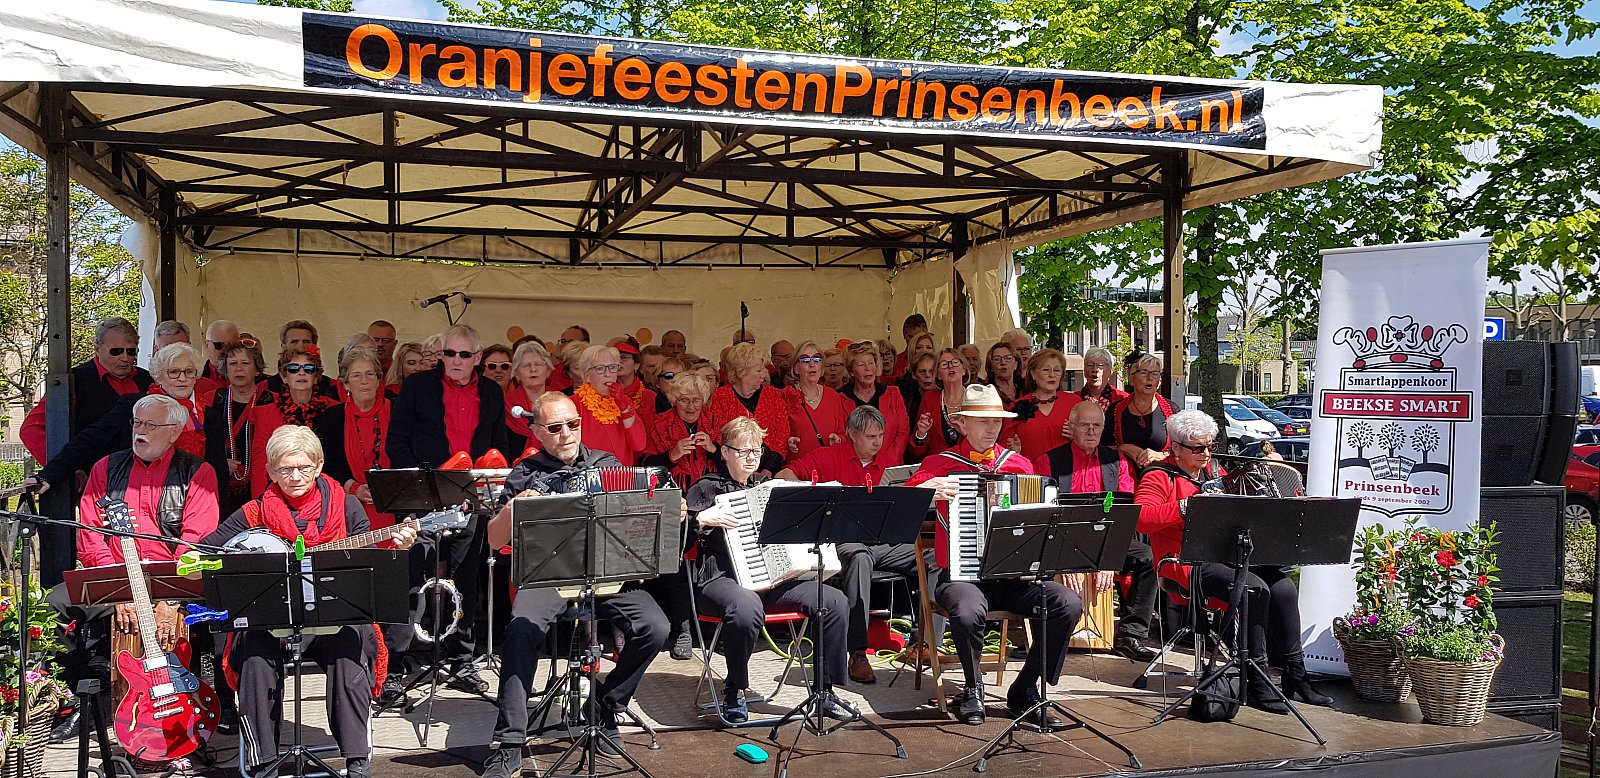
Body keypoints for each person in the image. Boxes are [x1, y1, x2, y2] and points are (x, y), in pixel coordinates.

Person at [201, 426, 417, 778]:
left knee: (349, 649)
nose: (295, 476)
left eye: (303, 467)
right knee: (254, 657)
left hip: (332, 618)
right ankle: (263, 761)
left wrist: (398, 545)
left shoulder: (346, 506)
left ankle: (356, 760)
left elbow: (370, 562)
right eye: (285, 469)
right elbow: (205, 548)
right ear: (271, 471)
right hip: (270, 621)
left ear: (318, 466)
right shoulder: (254, 513)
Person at [478, 392, 672, 777]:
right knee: (520, 632)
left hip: (607, 572)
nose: (566, 434)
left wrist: (670, 510)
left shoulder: (608, 465)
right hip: (548, 576)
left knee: (656, 627)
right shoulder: (525, 473)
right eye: (554, 427)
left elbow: (639, 524)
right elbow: (493, 539)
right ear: (536, 432)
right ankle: (510, 740)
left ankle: (606, 705)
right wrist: (513, 509)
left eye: (573, 424)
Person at [44, 394, 223, 762]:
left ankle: (203, 709)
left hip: (173, 583)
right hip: (116, 577)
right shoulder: (105, 469)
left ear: (174, 431)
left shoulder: (197, 473)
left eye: (150, 426)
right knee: (50, 610)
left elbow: (196, 543)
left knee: (222, 613)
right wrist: (120, 591)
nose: (139, 432)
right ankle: (88, 699)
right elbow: (90, 534)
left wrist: (169, 601)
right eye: (136, 424)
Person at [906, 384, 1082, 728]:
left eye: (996, 422)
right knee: (968, 610)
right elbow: (904, 497)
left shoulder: (1018, 465)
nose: (991, 429)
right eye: (983, 421)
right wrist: (928, 489)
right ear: (961, 424)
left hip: (1015, 577)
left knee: (1068, 604)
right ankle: (973, 690)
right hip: (961, 575)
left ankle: (1025, 687)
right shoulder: (939, 463)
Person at [1134, 410, 1330, 711]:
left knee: (1282, 587)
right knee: (1253, 589)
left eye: (1210, 446)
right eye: (1198, 448)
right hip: (1185, 561)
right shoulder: (1158, 476)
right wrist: (1184, 507)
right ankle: (1256, 676)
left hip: (1226, 555)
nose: (1206, 453)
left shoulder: (1216, 472)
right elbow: (1142, 520)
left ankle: (1295, 674)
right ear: (1175, 447)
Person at [686, 417, 855, 724]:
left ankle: (825, 691)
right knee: (746, 606)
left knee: (833, 601)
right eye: (743, 451)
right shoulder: (705, 487)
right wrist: (701, 519)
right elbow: (677, 540)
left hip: (773, 580)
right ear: (724, 452)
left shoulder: (768, 487)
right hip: (721, 580)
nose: (752, 457)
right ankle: (735, 689)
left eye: (757, 450)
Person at [388, 323, 508, 693]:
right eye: (449, 354)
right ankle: (394, 665)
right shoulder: (417, 386)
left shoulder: (490, 391)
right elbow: (397, 443)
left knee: (465, 576)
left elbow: (498, 443)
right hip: (423, 493)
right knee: (412, 577)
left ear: (477, 357)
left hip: (469, 495)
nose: (455, 361)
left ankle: (461, 659)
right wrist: (427, 483)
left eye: (464, 355)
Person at [776, 405, 916, 684]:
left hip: (883, 541)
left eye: (881, 435)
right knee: (860, 558)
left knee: (933, 557)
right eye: (870, 436)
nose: (877, 442)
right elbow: (783, 477)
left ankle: (925, 643)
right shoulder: (827, 456)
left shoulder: (889, 461)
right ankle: (858, 652)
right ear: (852, 434)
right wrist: (812, 491)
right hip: (844, 541)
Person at [1032, 402, 1158, 663]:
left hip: (1105, 540)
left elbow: (1122, 514)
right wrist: (1065, 561)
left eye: (1096, 426)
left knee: (1148, 557)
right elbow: (1044, 517)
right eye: (1084, 425)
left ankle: (1130, 634)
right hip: (1062, 541)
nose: (1091, 431)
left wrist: (1108, 558)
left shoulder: (1118, 461)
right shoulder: (1049, 461)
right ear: (1072, 427)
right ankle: (1047, 636)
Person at [29, 343, 210, 495]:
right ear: (158, 376)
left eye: (189, 372)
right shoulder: (133, 406)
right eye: (173, 372)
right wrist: (49, 475)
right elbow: (90, 439)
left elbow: (216, 467)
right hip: (141, 495)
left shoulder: (209, 413)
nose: (182, 379)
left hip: (194, 497)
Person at [21, 317, 153, 465]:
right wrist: (66, 469)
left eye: (131, 352)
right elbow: (32, 429)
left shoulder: (147, 380)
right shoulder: (75, 381)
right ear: (97, 349)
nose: (125, 358)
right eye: (116, 351)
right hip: (92, 477)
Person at [314, 346, 392, 530]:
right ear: (346, 384)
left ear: (379, 380)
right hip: (348, 504)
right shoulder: (332, 418)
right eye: (356, 375)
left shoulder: (397, 412)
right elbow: (325, 463)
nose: (364, 381)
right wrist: (353, 487)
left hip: (393, 502)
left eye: (370, 374)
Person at [205, 341, 283, 517]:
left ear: (257, 370)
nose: (238, 369)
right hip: (219, 488)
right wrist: (219, 464)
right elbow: (201, 444)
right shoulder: (210, 400)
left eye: (245, 363)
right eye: (233, 364)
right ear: (225, 370)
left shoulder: (274, 402)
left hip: (261, 486)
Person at [709, 343, 791, 467]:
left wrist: (769, 468)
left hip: (770, 468)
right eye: (759, 370)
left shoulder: (773, 395)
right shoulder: (721, 396)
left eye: (764, 369)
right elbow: (718, 435)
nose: (764, 374)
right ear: (742, 372)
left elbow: (782, 434)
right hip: (732, 467)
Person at [567, 343, 648, 466]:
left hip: (622, 478)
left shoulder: (623, 403)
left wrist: (625, 408)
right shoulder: (573, 404)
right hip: (589, 477)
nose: (608, 374)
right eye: (600, 369)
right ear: (586, 376)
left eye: (613, 367)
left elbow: (639, 445)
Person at [643, 371, 719, 489]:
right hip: (672, 491)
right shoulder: (660, 424)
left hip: (710, 490)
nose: (691, 407)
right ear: (674, 400)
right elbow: (645, 465)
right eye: (684, 400)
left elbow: (730, 463)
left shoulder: (714, 422)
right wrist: (672, 455)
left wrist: (712, 448)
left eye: (696, 400)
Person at [1003, 349, 1079, 462]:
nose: (1052, 375)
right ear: (1033, 374)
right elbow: (1004, 444)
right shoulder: (1016, 406)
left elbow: (1090, 437)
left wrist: (1077, 437)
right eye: (1046, 370)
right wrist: (1013, 450)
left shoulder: (1074, 402)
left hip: (1067, 473)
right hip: (1031, 474)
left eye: (1057, 370)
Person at [839, 342, 909, 466]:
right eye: (861, 364)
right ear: (851, 371)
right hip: (853, 465)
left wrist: (889, 459)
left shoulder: (893, 393)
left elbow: (902, 432)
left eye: (871, 363)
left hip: (889, 465)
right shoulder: (840, 397)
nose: (868, 368)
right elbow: (842, 434)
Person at [781, 340, 848, 460]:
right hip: (797, 470)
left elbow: (844, 434)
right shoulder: (784, 396)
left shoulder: (833, 396)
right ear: (796, 368)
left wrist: (838, 439)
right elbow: (776, 436)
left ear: (822, 367)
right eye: (805, 359)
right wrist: (787, 442)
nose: (812, 364)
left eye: (817, 359)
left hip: (828, 468)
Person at [1113, 353, 1174, 470]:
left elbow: (1183, 450)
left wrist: (1161, 455)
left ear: (1159, 381)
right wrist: (1123, 448)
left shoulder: (1171, 410)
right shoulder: (1115, 410)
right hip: (1123, 477)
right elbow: (1102, 448)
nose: (1150, 378)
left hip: (1161, 477)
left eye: (1155, 374)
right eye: (1143, 373)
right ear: (1131, 379)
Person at [909, 348, 969, 461]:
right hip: (937, 468)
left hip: (969, 466)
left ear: (964, 370)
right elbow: (916, 451)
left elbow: (985, 443)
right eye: (944, 365)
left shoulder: (976, 398)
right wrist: (921, 434)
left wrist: (967, 434)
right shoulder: (930, 399)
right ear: (938, 375)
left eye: (955, 362)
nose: (950, 366)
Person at [503, 340, 555, 458]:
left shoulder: (559, 401)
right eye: (526, 365)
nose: (533, 369)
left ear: (548, 370)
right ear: (516, 373)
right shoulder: (506, 403)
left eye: (538, 364)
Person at [266, 320, 338, 399]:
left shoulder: (332, 387)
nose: (301, 347)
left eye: (306, 342)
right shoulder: (265, 387)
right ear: (283, 347)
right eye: (294, 342)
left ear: (314, 346)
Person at [273, 345, 340, 428]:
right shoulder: (266, 413)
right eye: (294, 368)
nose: (301, 373)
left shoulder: (335, 409)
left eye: (309, 368)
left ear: (315, 377)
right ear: (284, 377)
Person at [1077, 347, 1128, 447]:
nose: (1095, 370)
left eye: (1100, 366)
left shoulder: (1123, 399)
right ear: (1084, 370)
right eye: (1090, 365)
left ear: (1110, 371)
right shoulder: (1074, 399)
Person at [612, 340, 658, 429]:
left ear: (636, 365)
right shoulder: (604, 393)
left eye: (624, 357)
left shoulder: (650, 397)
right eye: (615, 358)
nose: (618, 362)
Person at [982, 341, 1021, 407]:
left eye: (1008, 358)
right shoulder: (984, 392)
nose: (1003, 362)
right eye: (997, 359)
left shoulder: (1026, 389)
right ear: (991, 366)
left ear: (1016, 364)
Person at [893, 313, 928, 378]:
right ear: (904, 335)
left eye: (918, 337)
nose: (914, 341)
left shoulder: (936, 360)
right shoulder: (896, 362)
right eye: (910, 337)